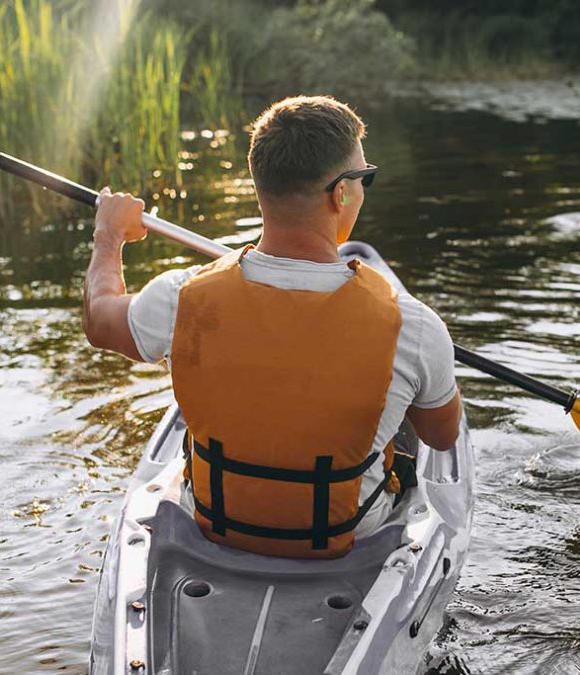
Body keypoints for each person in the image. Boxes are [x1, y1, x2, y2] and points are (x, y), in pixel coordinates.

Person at [81, 95, 462, 559]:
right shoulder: (413, 325)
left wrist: (109, 236)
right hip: (350, 540)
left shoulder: (182, 296)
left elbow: (99, 320)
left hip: (215, 527)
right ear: (341, 193)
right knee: (406, 414)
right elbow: (442, 437)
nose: (364, 188)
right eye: (365, 178)